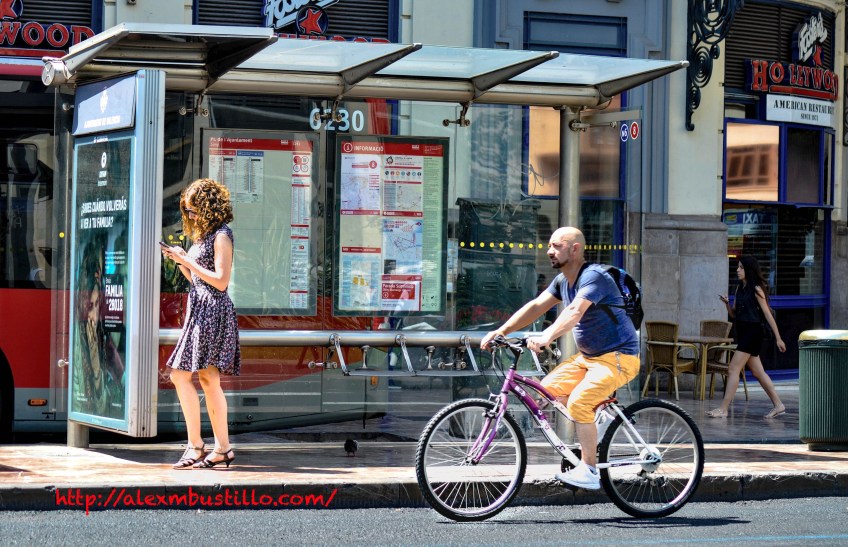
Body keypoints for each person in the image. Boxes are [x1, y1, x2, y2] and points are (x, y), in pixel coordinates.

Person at [480, 227, 639, 490]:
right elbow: (535, 306)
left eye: (556, 246)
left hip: (618, 358)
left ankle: (589, 470)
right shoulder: (563, 281)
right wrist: (501, 331)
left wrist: (547, 336)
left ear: (575, 248)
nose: (549, 251)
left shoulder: (594, 277)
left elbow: (575, 312)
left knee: (578, 403)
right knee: (544, 392)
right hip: (588, 359)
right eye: (549, 246)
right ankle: (599, 419)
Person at [161, 178, 241, 469]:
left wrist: (189, 262)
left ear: (208, 208)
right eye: (188, 211)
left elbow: (220, 281)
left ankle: (219, 448)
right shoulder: (202, 237)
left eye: (194, 210)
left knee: (207, 378)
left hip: (214, 311)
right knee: (182, 376)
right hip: (199, 309)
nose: (191, 216)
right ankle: (199, 445)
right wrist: (180, 261)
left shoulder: (221, 235)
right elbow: (197, 279)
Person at [707, 255, 786, 419]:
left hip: (752, 332)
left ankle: (723, 409)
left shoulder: (757, 289)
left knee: (733, 369)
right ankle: (779, 405)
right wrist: (727, 304)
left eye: (741, 267)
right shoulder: (739, 288)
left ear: (748, 270)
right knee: (758, 372)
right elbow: (734, 314)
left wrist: (778, 337)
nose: (737, 270)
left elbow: (768, 314)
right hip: (742, 331)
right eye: (738, 267)